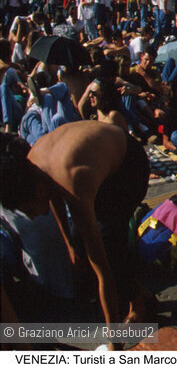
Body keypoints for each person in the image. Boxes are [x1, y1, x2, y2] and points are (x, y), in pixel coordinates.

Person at [0, 122, 154, 331]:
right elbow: (53, 196)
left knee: (107, 244)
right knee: (79, 242)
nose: (33, 217)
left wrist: (114, 344)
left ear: (38, 193)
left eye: (29, 210)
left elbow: (103, 273)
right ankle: (134, 290)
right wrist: (70, 245)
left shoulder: (72, 182)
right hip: (94, 162)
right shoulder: (34, 167)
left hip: (128, 164)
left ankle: (137, 304)